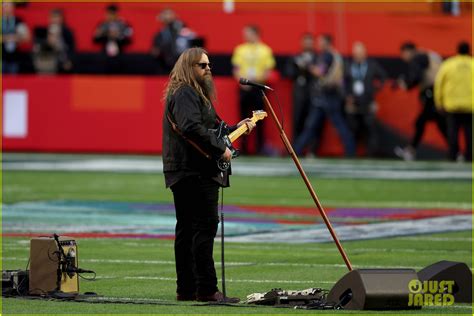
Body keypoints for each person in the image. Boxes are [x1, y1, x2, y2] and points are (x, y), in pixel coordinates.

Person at [162, 47, 255, 302]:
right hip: (193, 169)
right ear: (188, 67)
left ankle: (188, 289)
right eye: (202, 65)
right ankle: (205, 289)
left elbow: (217, 128)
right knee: (202, 227)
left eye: (209, 65)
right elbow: (191, 127)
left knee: (188, 229)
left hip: (187, 168)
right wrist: (221, 148)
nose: (208, 69)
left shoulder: (193, 93)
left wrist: (239, 128)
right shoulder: (185, 93)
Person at [293, 34, 356, 157]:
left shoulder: (327, 55)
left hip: (328, 96)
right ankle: (296, 150)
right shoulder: (335, 55)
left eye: (320, 42)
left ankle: (296, 150)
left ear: (326, 43)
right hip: (330, 96)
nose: (318, 44)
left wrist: (307, 65)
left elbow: (320, 72)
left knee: (334, 125)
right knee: (315, 125)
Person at [394, 42, 447, 161]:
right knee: (439, 123)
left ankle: (411, 150)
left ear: (408, 51)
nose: (403, 58)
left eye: (403, 54)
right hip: (441, 91)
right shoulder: (429, 54)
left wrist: (407, 84)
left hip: (432, 91)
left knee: (421, 122)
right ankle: (456, 151)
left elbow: (416, 76)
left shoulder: (417, 57)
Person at [231, 25, 275, 154]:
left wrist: (255, 80)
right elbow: (236, 69)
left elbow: (268, 71)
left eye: (247, 33)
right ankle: (243, 148)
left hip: (258, 88)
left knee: (260, 119)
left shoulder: (265, 50)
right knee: (243, 119)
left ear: (255, 34)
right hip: (244, 88)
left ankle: (260, 148)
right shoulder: (240, 49)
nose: (245, 36)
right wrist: (243, 83)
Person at [344, 41, 387, 156]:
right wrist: (346, 96)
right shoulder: (348, 65)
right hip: (353, 102)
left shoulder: (372, 65)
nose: (357, 55)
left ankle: (370, 154)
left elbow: (383, 77)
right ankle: (351, 154)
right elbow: (343, 82)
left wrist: (374, 90)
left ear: (364, 53)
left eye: (359, 53)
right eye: (355, 53)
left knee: (370, 129)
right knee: (352, 129)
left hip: (367, 102)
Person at [434, 41, 473, 162]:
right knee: (469, 132)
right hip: (470, 104)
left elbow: (439, 83)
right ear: (469, 50)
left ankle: (453, 154)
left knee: (452, 132)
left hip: (452, 104)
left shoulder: (448, 64)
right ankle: (469, 155)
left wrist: (439, 102)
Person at [284, 33, 318, 142]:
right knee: (297, 120)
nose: (308, 44)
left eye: (310, 41)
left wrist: (308, 68)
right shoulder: (295, 57)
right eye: (306, 41)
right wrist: (298, 68)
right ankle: (295, 148)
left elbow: (321, 73)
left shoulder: (317, 58)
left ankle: (312, 149)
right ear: (302, 42)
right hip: (298, 93)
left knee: (312, 121)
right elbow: (288, 73)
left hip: (313, 93)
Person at [32, 8, 75, 74]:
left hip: (61, 59)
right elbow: (36, 47)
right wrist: (47, 42)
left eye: (57, 17)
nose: (55, 19)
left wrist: (69, 60)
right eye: (53, 17)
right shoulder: (42, 32)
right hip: (46, 59)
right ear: (49, 18)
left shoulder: (67, 32)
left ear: (61, 19)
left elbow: (71, 48)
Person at [93, 4, 133, 73]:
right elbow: (95, 39)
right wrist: (104, 34)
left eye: (111, 14)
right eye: (108, 14)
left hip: (119, 54)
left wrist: (118, 36)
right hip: (105, 55)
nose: (109, 16)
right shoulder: (102, 25)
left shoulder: (123, 24)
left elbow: (129, 40)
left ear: (116, 14)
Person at [151, 8, 188, 73]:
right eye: (165, 14)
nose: (167, 17)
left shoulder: (180, 27)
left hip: (180, 64)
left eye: (169, 14)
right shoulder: (160, 34)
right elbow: (155, 51)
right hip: (164, 64)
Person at [1, 1, 31, 74]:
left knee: (13, 82)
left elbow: (27, 37)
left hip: (14, 58)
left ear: (13, 7)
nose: (7, 8)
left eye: (9, 6)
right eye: (5, 6)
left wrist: (15, 38)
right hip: (2, 57)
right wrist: (6, 38)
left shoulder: (18, 21)